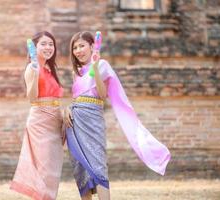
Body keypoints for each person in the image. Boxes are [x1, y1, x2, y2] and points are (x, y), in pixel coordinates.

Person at [64, 31, 171, 200]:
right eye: (75, 47)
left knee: (98, 166)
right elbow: (76, 97)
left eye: (82, 45)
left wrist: (95, 69)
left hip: (93, 119)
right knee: (80, 169)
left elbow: (102, 93)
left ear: (92, 46)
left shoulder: (102, 65)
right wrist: (67, 109)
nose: (78, 50)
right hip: (75, 121)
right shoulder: (75, 72)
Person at [10, 31, 65, 200]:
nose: (48, 47)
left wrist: (62, 116)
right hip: (40, 121)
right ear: (35, 47)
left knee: (53, 170)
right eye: (44, 44)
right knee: (44, 169)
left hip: (55, 121)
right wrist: (34, 73)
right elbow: (32, 97)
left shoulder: (51, 68)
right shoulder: (31, 67)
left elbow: (56, 97)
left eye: (51, 44)